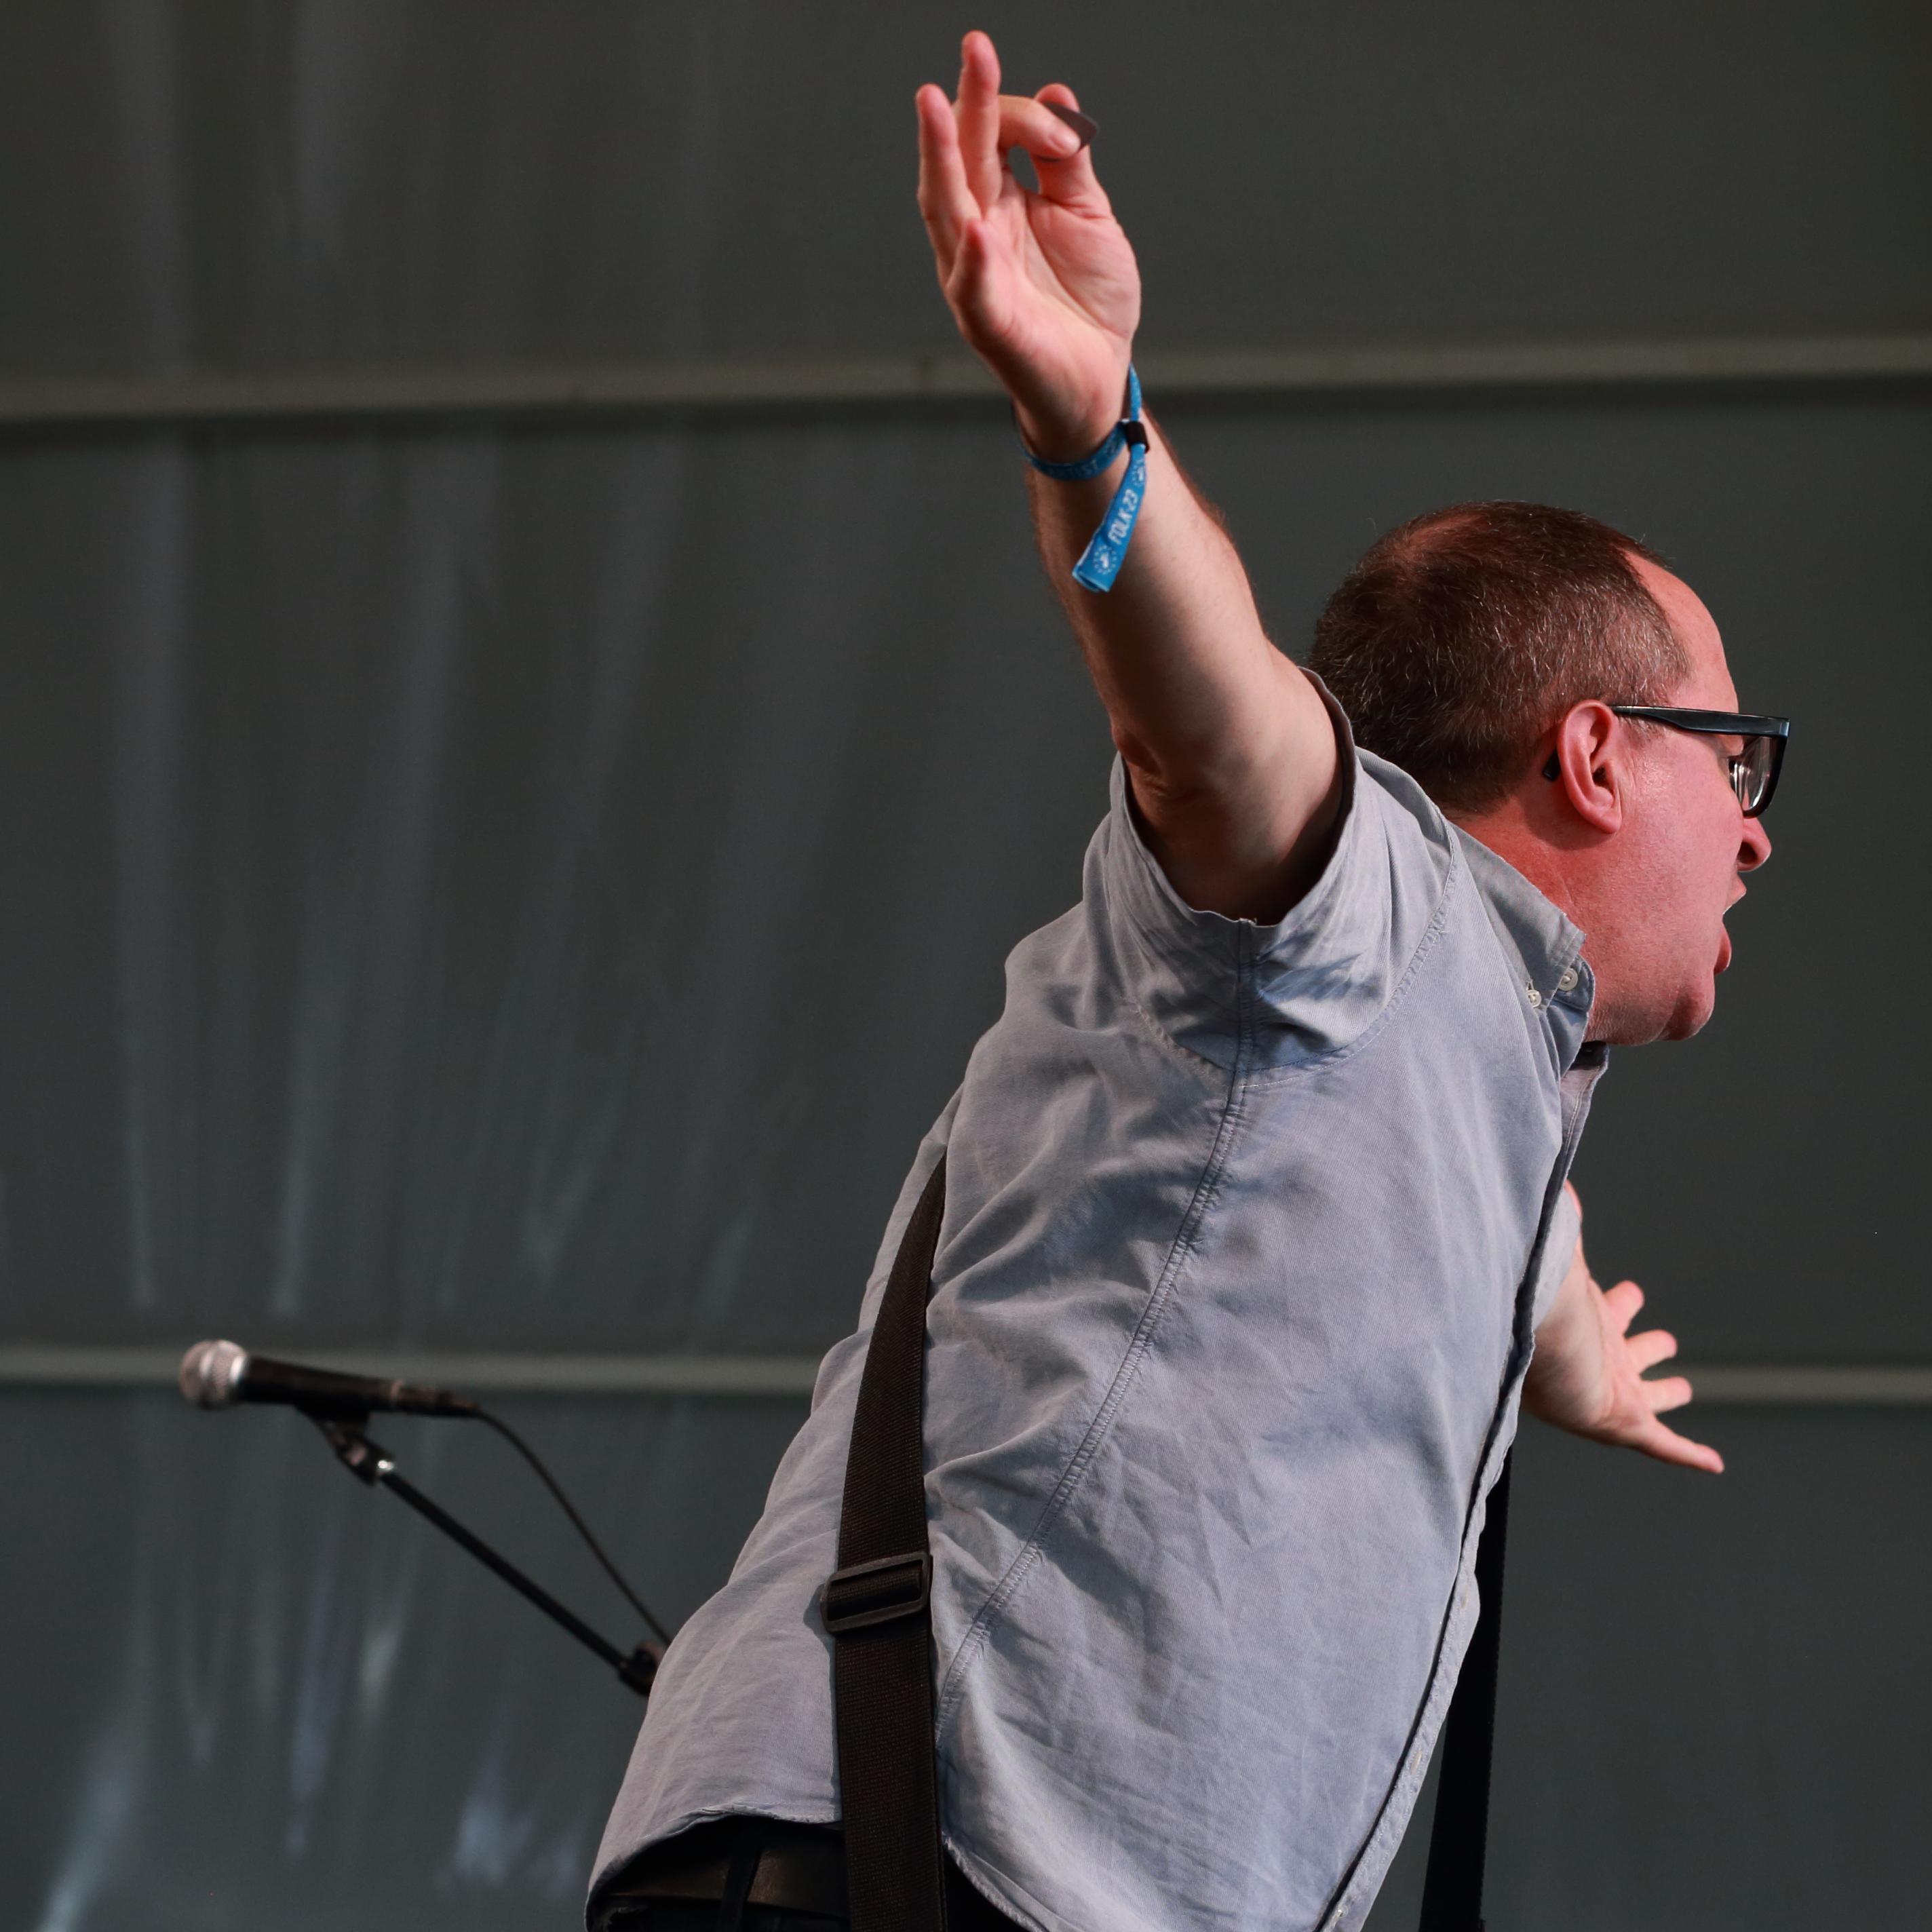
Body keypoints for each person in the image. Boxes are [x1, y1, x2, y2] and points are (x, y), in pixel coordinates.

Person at [590, 30, 1783, 1932]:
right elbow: (1215, 727)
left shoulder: (1459, 1046)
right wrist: (1095, 434)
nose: (1756, 835)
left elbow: (1489, 1174)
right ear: (1594, 755)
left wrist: (1558, 1331)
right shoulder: (1358, 900)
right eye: (1739, 761)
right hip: (913, 1876)